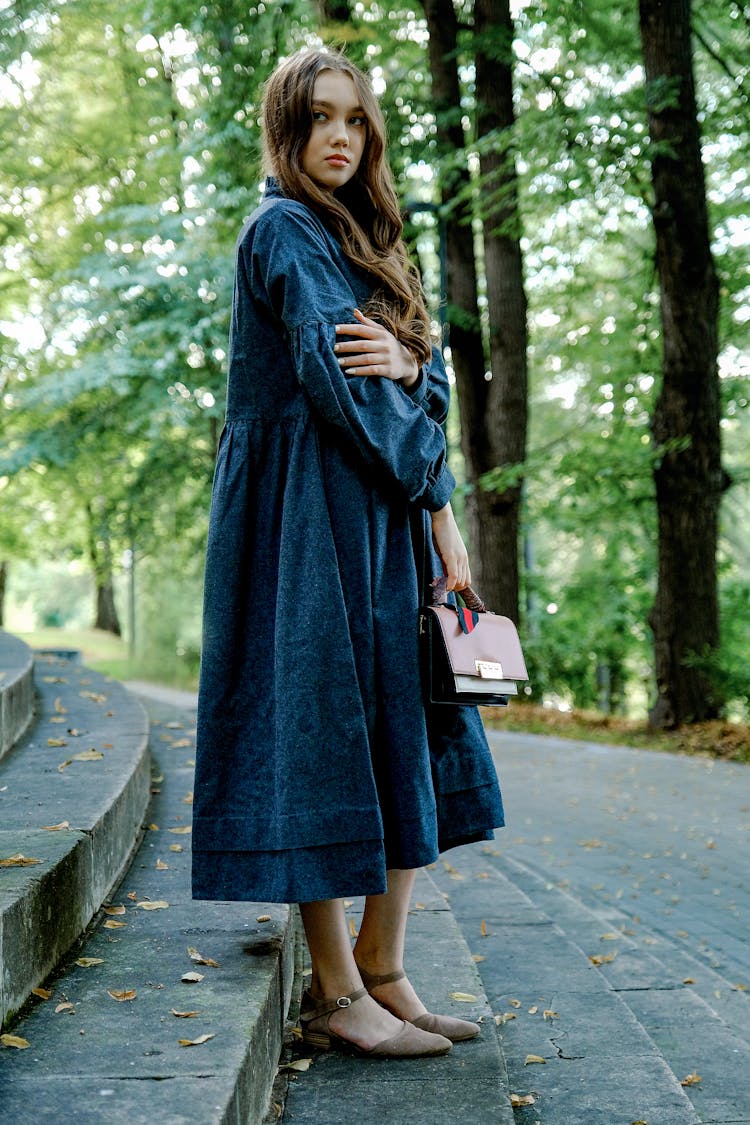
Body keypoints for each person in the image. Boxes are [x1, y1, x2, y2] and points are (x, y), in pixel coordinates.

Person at [191, 48, 505, 1059]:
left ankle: (385, 969)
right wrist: (412, 382)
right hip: (306, 523)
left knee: (404, 725)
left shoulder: (369, 236)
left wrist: (415, 369)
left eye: (356, 121)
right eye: (320, 118)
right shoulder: (281, 228)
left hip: (382, 517)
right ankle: (334, 992)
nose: (340, 136)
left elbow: (423, 382)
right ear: (286, 129)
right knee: (323, 732)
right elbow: (350, 393)